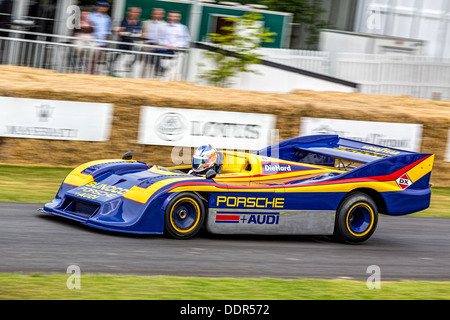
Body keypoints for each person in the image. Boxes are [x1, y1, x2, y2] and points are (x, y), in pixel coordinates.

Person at [153, 11, 190, 76]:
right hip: (163, 49)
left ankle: (162, 71)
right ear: (168, 17)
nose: (172, 18)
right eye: (171, 16)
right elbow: (158, 38)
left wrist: (176, 46)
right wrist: (164, 45)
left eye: (175, 16)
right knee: (152, 54)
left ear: (179, 18)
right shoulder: (162, 26)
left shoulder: (182, 28)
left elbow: (186, 40)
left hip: (176, 51)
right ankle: (160, 70)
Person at [112, 7, 142, 75]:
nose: (133, 14)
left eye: (136, 12)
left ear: (138, 14)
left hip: (133, 46)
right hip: (121, 45)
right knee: (117, 63)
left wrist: (140, 34)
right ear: (128, 12)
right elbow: (114, 30)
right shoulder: (122, 21)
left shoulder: (139, 23)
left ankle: (128, 74)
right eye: (132, 12)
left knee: (131, 64)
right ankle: (115, 74)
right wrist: (118, 30)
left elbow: (140, 34)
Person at [88, 1, 111, 74]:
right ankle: (88, 74)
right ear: (96, 7)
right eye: (101, 6)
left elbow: (107, 31)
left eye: (105, 7)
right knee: (90, 59)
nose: (103, 8)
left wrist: (106, 43)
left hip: (102, 42)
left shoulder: (108, 18)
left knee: (97, 60)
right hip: (92, 41)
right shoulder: (91, 16)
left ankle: (94, 74)